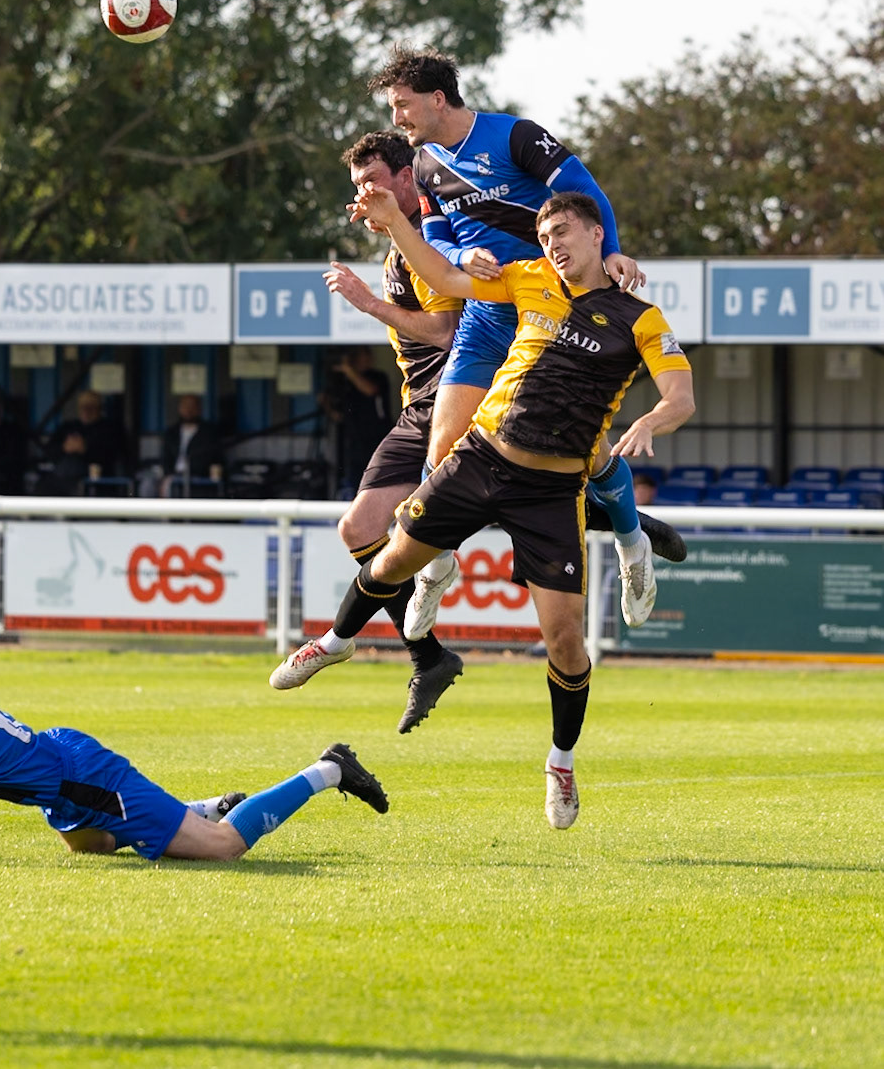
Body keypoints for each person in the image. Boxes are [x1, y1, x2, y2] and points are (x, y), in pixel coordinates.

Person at [274, 186, 695, 831]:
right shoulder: (527, 278)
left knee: (567, 642)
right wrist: (392, 222)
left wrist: (652, 423)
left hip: (551, 493)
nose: (551, 245)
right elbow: (441, 276)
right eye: (545, 235)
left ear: (594, 237)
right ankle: (333, 643)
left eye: (561, 233)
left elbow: (680, 396)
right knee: (389, 562)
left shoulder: (638, 317)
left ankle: (559, 762)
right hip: (479, 461)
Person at [368, 46, 685, 639]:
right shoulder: (426, 164)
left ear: (438, 99)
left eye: (403, 106)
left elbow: (585, 191)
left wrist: (609, 247)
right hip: (490, 309)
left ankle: (630, 541)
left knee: (587, 455)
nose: (398, 120)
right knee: (442, 448)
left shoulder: (514, 137)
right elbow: (438, 232)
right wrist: (462, 255)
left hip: (545, 308)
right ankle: (435, 568)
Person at [0, 639, 387, 864]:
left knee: (222, 850)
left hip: (83, 778)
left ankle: (329, 767)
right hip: (61, 770)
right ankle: (198, 807)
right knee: (87, 844)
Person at [278, 130, 465, 734]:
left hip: (461, 402)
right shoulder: (396, 249)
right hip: (418, 408)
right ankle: (426, 655)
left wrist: (367, 304)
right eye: (356, 186)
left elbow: (441, 332)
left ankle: (626, 521)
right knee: (359, 528)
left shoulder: (430, 237)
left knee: (511, 509)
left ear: (407, 178)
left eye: (372, 182)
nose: (361, 196)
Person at [319, 346, 393, 499]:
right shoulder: (346, 382)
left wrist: (349, 370)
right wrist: (326, 405)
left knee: (376, 475)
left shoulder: (377, 376)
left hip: (377, 436)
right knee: (354, 478)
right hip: (353, 439)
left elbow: (370, 390)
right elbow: (338, 414)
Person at [42, 390, 126, 495]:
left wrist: (85, 449)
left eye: (91, 407)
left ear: (99, 408)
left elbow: (115, 455)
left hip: (94, 481)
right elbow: (48, 451)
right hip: (60, 477)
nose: (86, 410)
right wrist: (64, 448)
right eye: (83, 406)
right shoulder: (68, 427)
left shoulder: (109, 429)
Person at [158, 394, 226, 497]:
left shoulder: (208, 432)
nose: (189, 410)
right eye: (185, 406)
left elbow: (211, 458)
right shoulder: (171, 432)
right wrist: (168, 475)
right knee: (148, 485)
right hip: (172, 476)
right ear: (180, 408)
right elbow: (165, 457)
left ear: (199, 409)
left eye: (192, 406)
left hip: (197, 477)